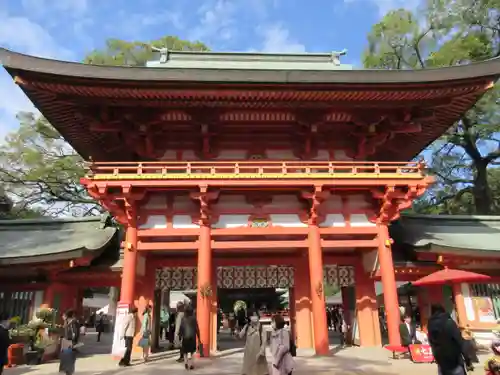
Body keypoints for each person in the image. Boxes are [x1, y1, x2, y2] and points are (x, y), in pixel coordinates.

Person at [428, 304, 473, 375]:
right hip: (454, 362)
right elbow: (460, 342)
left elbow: (431, 343)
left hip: (441, 363)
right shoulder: (449, 322)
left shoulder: (430, 325)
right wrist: (468, 360)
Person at [240, 309, 268, 375]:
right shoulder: (247, 327)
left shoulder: (261, 328)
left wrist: (262, 351)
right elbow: (240, 335)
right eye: (252, 315)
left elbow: (264, 341)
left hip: (258, 354)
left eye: (255, 315)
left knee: (259, 371)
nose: (254, 317)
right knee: (248, 371)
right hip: (248, 354)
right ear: (249, 317)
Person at [179, 305, 201, 370]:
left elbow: (181, 328)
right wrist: (199, 338)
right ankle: (191, 364)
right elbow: (197, 329)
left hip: (185, 337)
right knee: (192, 352)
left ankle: (186, 362)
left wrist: (180, 337)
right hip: (192, 337)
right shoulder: (194, 318)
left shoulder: (183, 318)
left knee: (185, 351)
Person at [59, 310, 79, 375]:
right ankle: (67, 372)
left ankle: (69, 373)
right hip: (66, 342)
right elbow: (66, 332)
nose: (62, 317)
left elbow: (75, 334)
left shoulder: (73, 323)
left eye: (63, 315)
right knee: (65, 360)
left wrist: (73, 342)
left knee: (69, 360)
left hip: (70, 343)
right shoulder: (67, 322)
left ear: (66, 316)